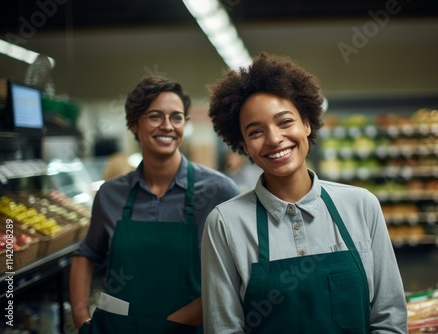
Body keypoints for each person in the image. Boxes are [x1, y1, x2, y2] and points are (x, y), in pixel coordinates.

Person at [202, 52, 408, 333]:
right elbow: (224, 329)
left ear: (307, 124)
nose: (275, 139)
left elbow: (389, 318)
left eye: (285, 122)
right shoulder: (226, 223)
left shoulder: (361, 206)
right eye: (255, 132)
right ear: (245, 146)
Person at [69, 76, 239, 333]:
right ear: (134, 124)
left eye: (177, 117)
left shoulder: (218, 191)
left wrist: (170, 324)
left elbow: (236, 275)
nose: (167, 126)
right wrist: (81, 318)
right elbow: (87, 254)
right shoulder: (110, 194)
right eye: (155, 116)